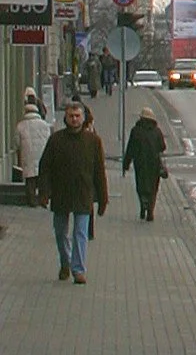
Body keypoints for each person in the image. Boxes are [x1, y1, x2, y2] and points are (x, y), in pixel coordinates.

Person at [37, 99, 108, 285]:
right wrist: (44, 192)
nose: (74, 119)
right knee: (60, 232)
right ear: (65, 118)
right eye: (71, 116)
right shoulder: (56, 140)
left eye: (78, 116)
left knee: (80, 233)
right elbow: (45, 167)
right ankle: (65, 262)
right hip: (61, 192)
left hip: (83, 193)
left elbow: (99, 171)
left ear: (83, 118)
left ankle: (78, 269)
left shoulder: (93, 141)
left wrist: (103, 198)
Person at [122, 107, 167, 223]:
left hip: (140, 163)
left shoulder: (135, 130)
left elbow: (130, 148)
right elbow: (163, 147)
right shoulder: (157, 131)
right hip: (154, 164)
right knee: (153, 188)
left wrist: (126, 164)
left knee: (141, 185)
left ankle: (143, 204)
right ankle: (150, 210)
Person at [15, 89, 50, 208]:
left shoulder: (20, 126)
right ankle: (42, 198)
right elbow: (49, 140)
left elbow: (17, 143)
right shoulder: (44, 125)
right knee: (41, 177)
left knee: (30, 178)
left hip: (27, 155)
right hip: (42, 154)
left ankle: (31, 200)